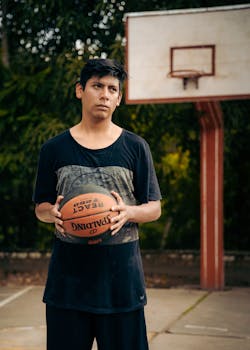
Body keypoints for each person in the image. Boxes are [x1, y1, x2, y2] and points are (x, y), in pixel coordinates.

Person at [33, 58, 161, 350]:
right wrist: (51, 213)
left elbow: (154, 207)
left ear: (119, 99)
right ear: (80, 90)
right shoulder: (53, 148)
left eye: (113, 89)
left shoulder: (135, 147)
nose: (105, 94)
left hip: (121, 285)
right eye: (97, 86)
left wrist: (128, 212)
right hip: (68, 285)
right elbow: (40, 206)